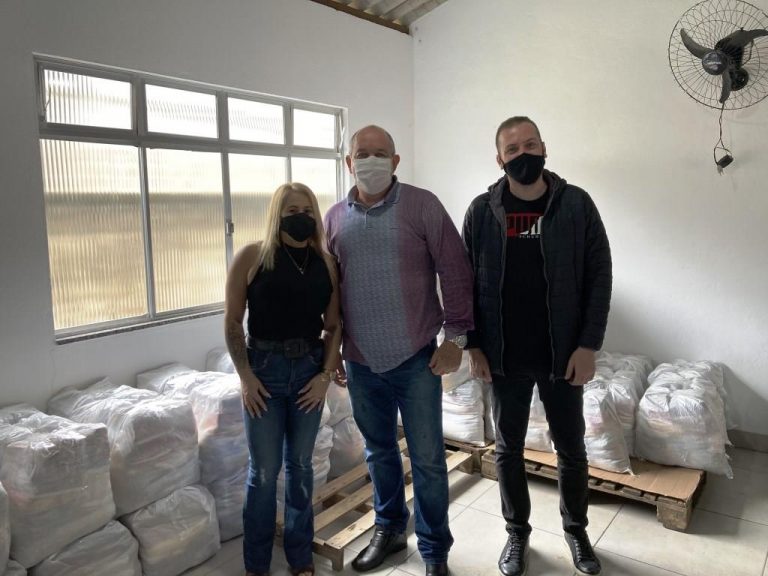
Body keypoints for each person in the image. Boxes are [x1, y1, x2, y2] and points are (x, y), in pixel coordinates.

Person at [462, 117, 612, 576]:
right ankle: (516, 534)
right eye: (513, 149)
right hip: (503, 356)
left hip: (561, 355)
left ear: (544, 147)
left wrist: (588, 345)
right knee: (508, 450)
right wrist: (472, 345)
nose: (523, 154)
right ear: (499, 159)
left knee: (571, 449)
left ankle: (576, 532)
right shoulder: (481, 212)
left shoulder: (575, 204)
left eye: (530, 145)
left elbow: (600, 275)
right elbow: (464, 284)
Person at [324, 125, 473, 576]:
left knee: (427, 459)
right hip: (361, 362)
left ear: (395, 160)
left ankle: (434, 551)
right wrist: (332, 349)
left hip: (416, 359)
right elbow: (330, 290)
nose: (370, 161)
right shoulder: (334, 218)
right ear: (348, 162)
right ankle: (389, 530)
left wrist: (456, 339)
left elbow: (455, 269)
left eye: (380, 153)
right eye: (361, 153)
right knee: (378, 452)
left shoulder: (422, 205)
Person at [224, 182, 342, 576]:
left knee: (301, 468)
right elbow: (232, 322)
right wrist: (245, 377)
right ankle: (256, 565)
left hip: (309, 371)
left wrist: (325, 376)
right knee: (263, 472)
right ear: (278, 214)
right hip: (264, 374)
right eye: (291, 210)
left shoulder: (326, 263)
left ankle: (300, 557)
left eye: (307, 210)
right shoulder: (252, 257)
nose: (300, 216)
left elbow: (334, 326)